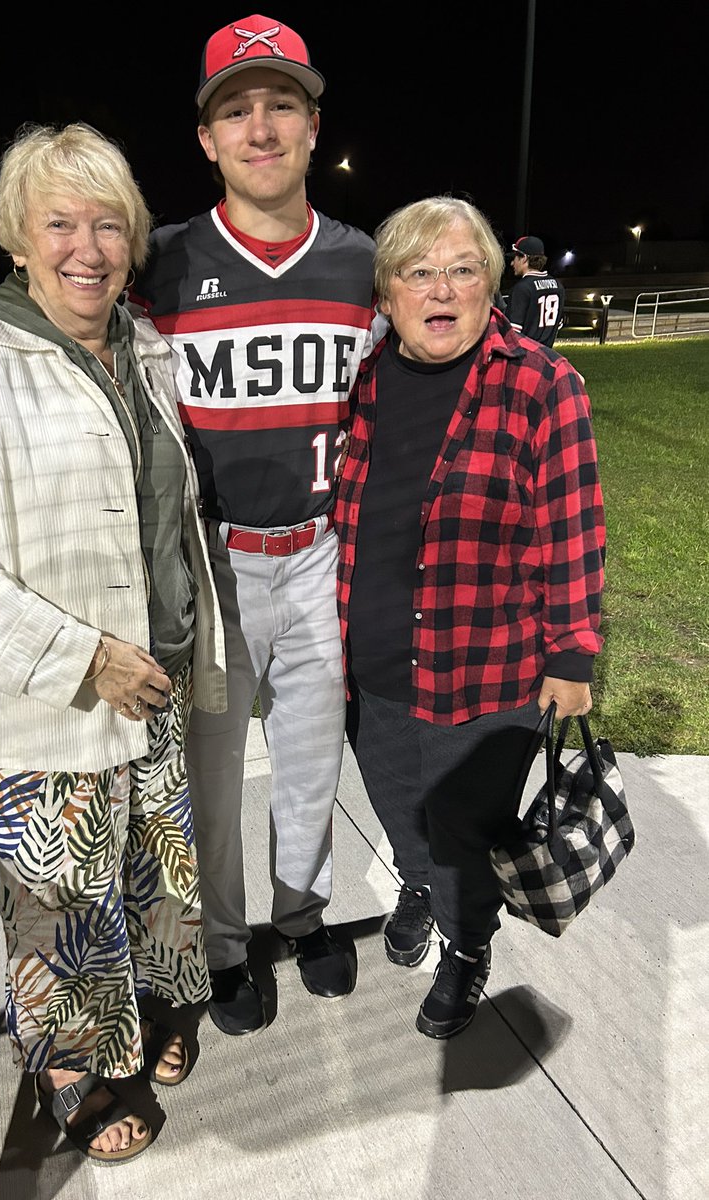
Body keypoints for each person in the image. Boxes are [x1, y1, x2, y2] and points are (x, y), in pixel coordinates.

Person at [0, 122, 226, 1162]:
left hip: (153, 688)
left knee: (152, 878)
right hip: (38, 709)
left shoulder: (147, 350)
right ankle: (78, 1068)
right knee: (60, 909)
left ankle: (158, 1009)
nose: (89, 247)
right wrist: (86, 657)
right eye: (61, 224)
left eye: (109, 224)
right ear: (19, 240)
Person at [128, 14, 378, 1036]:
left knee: (313, 764)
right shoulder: (167, 262)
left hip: (317, 552)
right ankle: (227, 948)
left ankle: (304, 914)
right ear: (207, 137)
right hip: (214, 561)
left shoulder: (362, 262)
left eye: (281, 104)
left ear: (315, 126)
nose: (261, 126)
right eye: (238, 108)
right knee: (215, 777)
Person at [336, 196, 605, 1039]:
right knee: (395, 802)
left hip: (485, 668)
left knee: (464, 827)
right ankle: (415, 883)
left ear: (493, 286)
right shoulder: (364, 381)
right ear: (387, 295)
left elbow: (573, 526)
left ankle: (467, 946)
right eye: (419, 272)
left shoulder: (541, 383)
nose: (441, 289)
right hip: (374, 657)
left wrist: (573, 656)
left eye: (463, 270)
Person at [506, 234, 566, 347]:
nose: (512, 263)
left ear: (524, 258)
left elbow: (513, 333)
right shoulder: (558, 286)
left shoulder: (522, 288)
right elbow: (558, 324)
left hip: (525, 359)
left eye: (515, 258)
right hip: (548, 357)